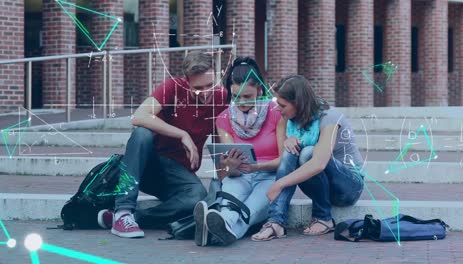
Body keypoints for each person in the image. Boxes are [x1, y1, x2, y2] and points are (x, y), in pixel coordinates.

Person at [97, 51, 227, 238]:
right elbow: (139, 117)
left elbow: (218, 144)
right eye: (199, 88)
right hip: (147, 165)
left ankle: (136, 218)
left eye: (210, 85)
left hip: (177, 173)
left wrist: (223, 182)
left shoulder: (221, 97)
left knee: (197, 197)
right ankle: (123, 212)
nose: (206, 93)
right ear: (186, 81)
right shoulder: (172, 88)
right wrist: (182, 134)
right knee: (142, 134)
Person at [251, 75, 364, 241]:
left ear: (298, 103)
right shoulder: (287, 119)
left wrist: (279, 183)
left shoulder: (330, 118)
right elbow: (286, 159)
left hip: (348, 187)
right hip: (322, 187)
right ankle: (276, 221)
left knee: (308, 153)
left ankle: (323, 217)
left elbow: (319, 163)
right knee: (291, 151)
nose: (277, 109)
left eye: (282, 105)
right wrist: (288, 141)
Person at [194, 57, 286, 246]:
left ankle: (212, 230)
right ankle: (222, 225)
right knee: (230, 203)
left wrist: (256, 167)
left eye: (247, 96)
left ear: (259, 90)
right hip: (239, 175)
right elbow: (229, 170)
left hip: (269, 176)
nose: (241, 102)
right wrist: (230, 166)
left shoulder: (276, 112)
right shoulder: (224, 118)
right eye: (236, 96)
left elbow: (284, 160)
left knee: (250, 209)